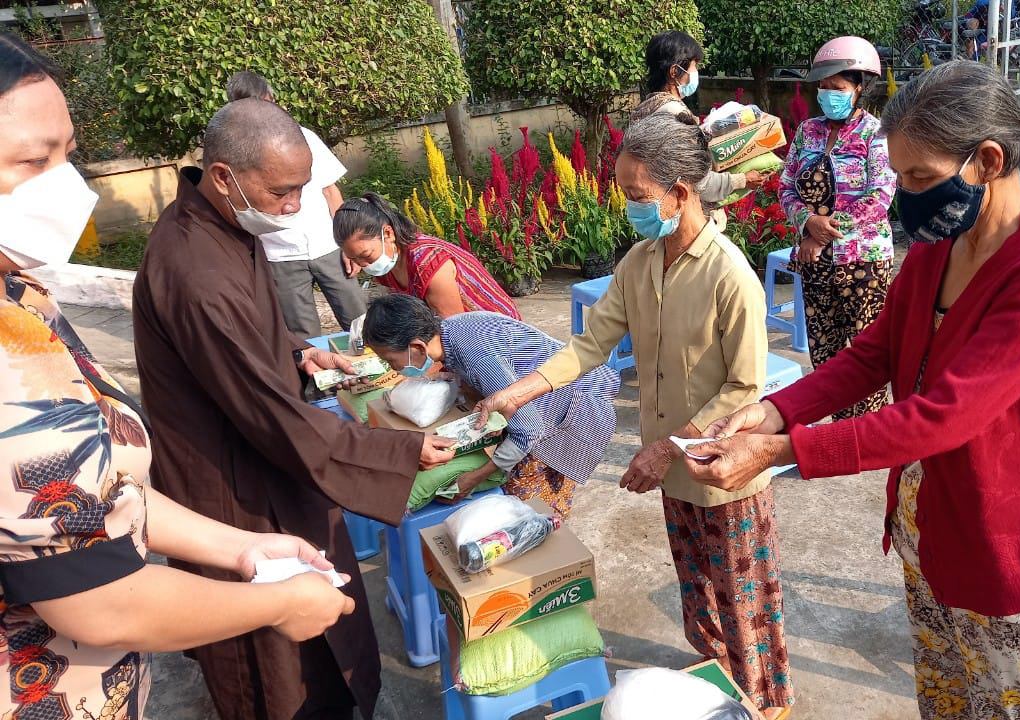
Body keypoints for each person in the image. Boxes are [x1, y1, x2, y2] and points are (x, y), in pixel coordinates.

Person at [685, 61, 1020, 720]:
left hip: (1009, 553)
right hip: (932, 530)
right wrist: (772, 410)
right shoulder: (942, 245)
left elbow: (944, 416)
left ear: (987, 161)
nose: (905, 197)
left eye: (919, 178)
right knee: (944, 705)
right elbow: (878, 351)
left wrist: (781, 452)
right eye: (900, 176)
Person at [0, 33, 354, 719]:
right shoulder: (189, 269)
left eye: (68, 155)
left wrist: (247, 548)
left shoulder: (24, 298)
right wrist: (277, 599)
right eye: (31, 160)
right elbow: (99, 601)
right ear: (226, 177)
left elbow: (85, 493)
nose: (63, 185)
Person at [131, 98, 458, 720]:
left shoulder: (217, 224)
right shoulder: (194, 267)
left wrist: (301, 350)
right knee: (275, 661)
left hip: (258, 443)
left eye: (303, 189)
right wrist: (399, 449)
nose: (294, 206)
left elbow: (247, 333)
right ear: (225, 176)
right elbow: (266, 409)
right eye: (283, 191)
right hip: (232, 478)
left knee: (320, 607)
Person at [473, 113, 794, 718]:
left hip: (724, 472)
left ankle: (765, 702)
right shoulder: (641, 262)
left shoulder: (730, 276)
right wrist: (517, 392)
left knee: (743, 602)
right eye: (625, 196)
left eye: (638, 197)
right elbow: (588, 347)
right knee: (696, 592)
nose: (630, 209)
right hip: (670, 468)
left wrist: (667, 447)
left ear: (680, 191)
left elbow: (745, 389)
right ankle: (713, 689)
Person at [362, 294, 620, 517]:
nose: (391, 368)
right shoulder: (449, 330)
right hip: (547, 395)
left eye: (389, 360)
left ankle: (548, 561)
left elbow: (529, 429)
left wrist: (475, 477)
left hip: (577, 402)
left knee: (528, 505)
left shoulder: (476, 357)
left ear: (417, 346)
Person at [779, 36, 896, 418]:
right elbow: (785, 185)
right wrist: (807, 223)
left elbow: (880, 195)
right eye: (824, 87)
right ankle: (837, 429)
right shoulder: (808, 131)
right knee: (824, 352)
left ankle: (868, 432)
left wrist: (825, 231)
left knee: (865, 352)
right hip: (814, 261)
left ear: (859, 88)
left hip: (862, 261)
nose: (828, 94)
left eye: (838, 88)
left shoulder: (874, 134)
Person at [226, 70, 366, 337]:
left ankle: (379, 375)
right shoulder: (236, 153)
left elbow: (330, 192)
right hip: (280, 257)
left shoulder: (304, 137)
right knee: (304, 337)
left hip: (329, 247)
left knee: (360, 324)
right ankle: (319, 380)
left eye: (264, 105)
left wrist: (349, 244)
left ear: (273, 101)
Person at [632, 30, 768, 229]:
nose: (696, 73)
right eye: (694, 66)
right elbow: (700, 183)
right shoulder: (675, 116)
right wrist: (743, 179)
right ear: (674, 71)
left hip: (660, 215)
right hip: (686, 223)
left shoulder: (645, 110)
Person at [334, 192, 521, 320]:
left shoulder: (429, 263)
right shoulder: (388, 265)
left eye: (365, 255)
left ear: (388, 234)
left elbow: (457, 332)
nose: (364, 265)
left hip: (501, 340)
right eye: (355, 259)